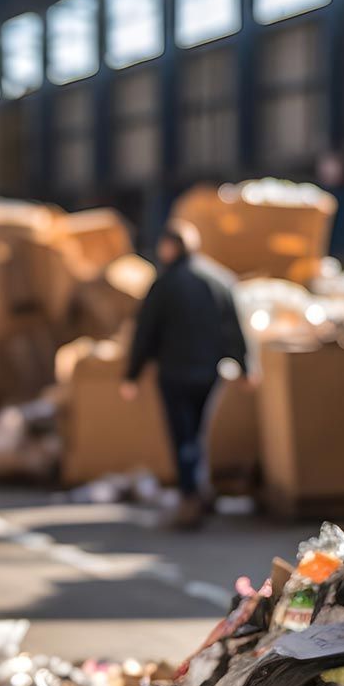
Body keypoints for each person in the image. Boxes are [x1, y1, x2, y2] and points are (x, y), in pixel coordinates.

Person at [120, 218, 248, 529]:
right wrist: (246, 366)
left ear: (170, 246)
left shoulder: (165, 284)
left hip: (175, 373)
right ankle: (199, 490)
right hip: (209, 372)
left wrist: (132, 374)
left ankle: (190, 496)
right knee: (198, 433)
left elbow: (145, 332)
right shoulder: (219, 279)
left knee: (183, 436)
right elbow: (235, 326)